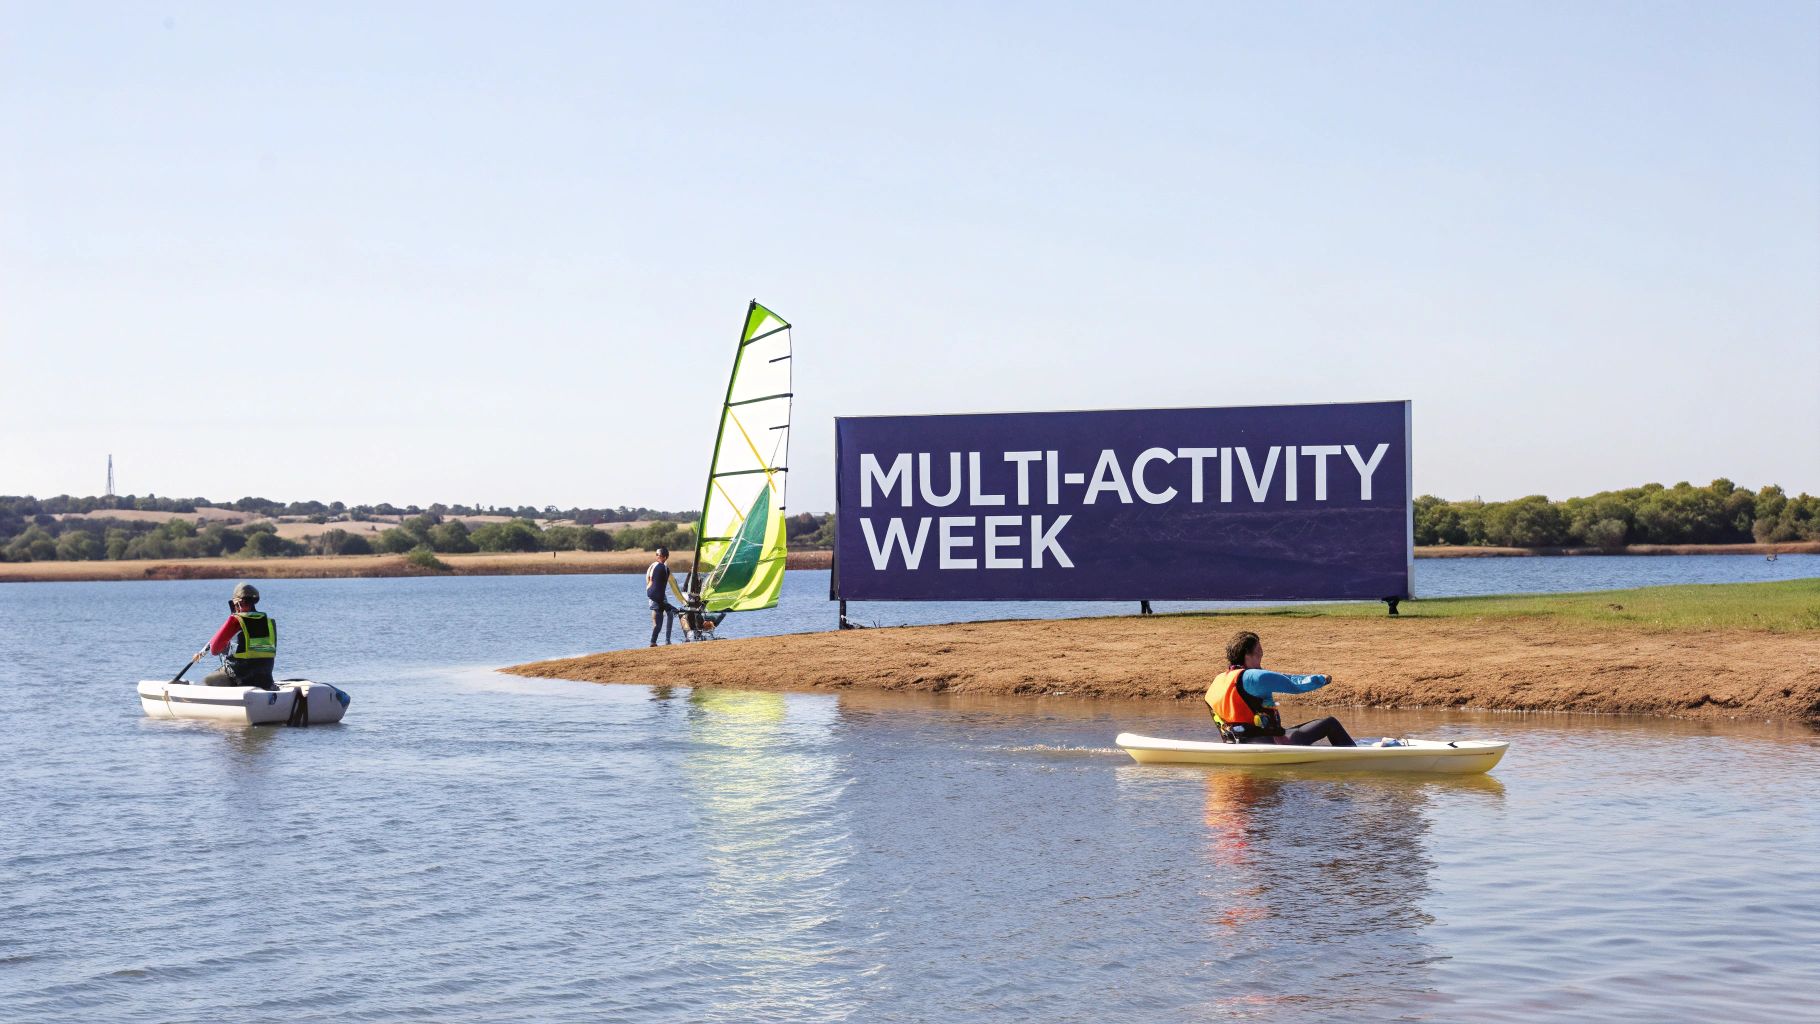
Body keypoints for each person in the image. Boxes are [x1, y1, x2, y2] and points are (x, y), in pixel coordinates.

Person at [1205, 630, 1354, 746]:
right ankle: (1354, 759)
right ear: (1247, 655)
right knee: (1330, 723)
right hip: (1268, 744)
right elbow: (1293, 684)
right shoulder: (1254, 677)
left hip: (1234, 742)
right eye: (1259, 654)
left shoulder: (1219, 680)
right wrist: (1322, 679)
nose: (1261, 659)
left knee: (1291, 730)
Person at [191, 583, 278, 690]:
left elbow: (214, 650)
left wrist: (226, 647)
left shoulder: (235, 620)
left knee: (205, 681)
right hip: (265, 679)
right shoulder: (269, 622)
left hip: (239, 678)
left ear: (237, 603)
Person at [646, 547, 683, 647]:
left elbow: (671, 583)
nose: (658, 557)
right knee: (658, 624)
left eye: (660, 555)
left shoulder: (664, 568)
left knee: (670, 614)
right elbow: (650, 582)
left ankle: (667, 641)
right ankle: (653, 642)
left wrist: (681, 598)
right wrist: (664, 603)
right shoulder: (657, 566)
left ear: (665, 557)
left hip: (659, 595)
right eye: (657, 555)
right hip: (655, 597)